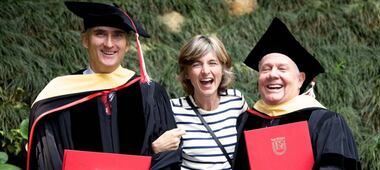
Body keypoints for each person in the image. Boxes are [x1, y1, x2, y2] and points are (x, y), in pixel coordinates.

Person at [27, 1, 184, 170]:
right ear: (85, 40)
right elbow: (49, 161)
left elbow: (169, 159)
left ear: (127, 44)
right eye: (100, 34)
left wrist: (153, 151)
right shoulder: (58, 95)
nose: (109, 44)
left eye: (118, 35)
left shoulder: (150, 93)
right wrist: (151, 151)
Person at [234, 17, 361, 169]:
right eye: (266, 69)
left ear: (300, 79)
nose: (273, 74)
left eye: (282, 69)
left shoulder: (325, 122)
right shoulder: (246, 121)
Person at [170, 35, 248, 169]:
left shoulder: (236, 101)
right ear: (187, 73)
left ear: (222, 69)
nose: (205, 71)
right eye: (196, 64)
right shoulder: (174, 109)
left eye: (212, 63)